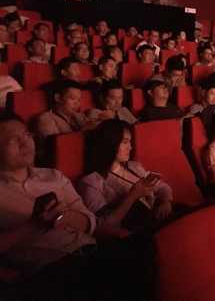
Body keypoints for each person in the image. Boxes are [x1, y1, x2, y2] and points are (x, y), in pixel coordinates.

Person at [0, 114, 155, 301]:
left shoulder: (53, 176)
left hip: (91, 250)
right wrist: (33, 226)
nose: (25, 143)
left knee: (153, 257)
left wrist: (65, 216)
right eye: (13, 139)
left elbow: (90, 221)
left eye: (27, 135)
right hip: (49, 270)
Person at [78, 119, 173, 232]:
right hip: (138, 231)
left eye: (130, 142)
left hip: (159, 218)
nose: (130, 147)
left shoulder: (134, 166)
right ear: (110, 143)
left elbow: (163, 187)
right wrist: (132, 196)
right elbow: (103, 226)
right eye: (125, 142)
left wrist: (166, 202)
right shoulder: (91, 182)